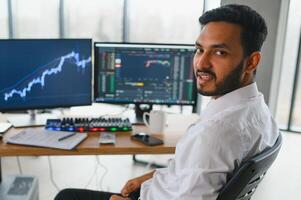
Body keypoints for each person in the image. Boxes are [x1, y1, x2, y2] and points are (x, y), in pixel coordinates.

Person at [55, 4, 279, 200]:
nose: (201, 63)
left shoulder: (214, 134)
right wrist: (151, 177)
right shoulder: (258, 110)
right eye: (199, 50)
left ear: (252, 62)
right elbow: (196, 173)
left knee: (67, 197)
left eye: (219, 52)